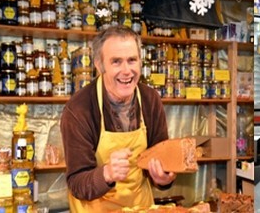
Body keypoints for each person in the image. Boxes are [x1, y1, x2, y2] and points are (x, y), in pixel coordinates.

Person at [60, 26, 175, 212]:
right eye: (116, 62)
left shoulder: (150, 100)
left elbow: (161, 160)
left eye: (132, 60)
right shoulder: (78, 109)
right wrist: (106, 173)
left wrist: (163, 178)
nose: (126, 71)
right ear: (99, 65)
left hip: (140, 207)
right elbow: (77, 182)